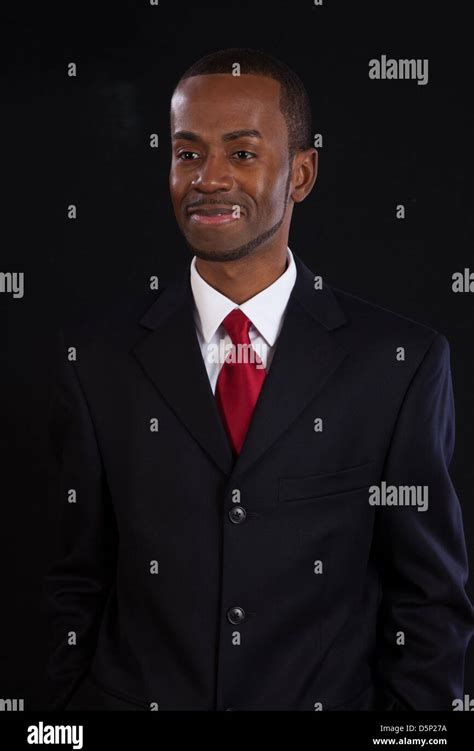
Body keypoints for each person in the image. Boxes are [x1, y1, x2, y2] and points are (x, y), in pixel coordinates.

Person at [43, 47, 474, 711]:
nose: (209, 178)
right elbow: (73, 582)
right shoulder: (94, 361)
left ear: (301, 173)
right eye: (188, 154)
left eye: (241, 153)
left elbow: (429, 603)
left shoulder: (399, 363)